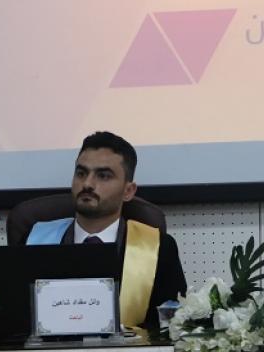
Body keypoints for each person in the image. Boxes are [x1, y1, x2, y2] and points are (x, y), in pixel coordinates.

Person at [24, 131, 187, 329]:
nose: (87, 184)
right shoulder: (35, 240)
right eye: (81, 173)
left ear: (128, 191)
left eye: (103, 176)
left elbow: (171, 327)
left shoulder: (159, 249)